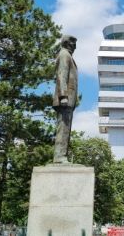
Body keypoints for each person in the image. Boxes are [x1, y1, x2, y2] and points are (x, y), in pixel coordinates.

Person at [52, 35, 78, 163]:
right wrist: (63, 96)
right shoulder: (64, 55)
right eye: (73, 43)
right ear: (67, 43)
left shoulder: (68, 56)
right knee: (63, 127)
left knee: (66, 128)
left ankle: (62, 155)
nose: (75, 46)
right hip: (65, 99)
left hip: (69, 100)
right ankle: (59, 157)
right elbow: (62, 75)